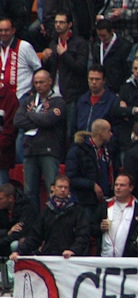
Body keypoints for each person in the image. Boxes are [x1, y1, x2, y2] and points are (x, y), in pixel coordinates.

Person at [14, 68, 65, 211]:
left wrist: (30, 114)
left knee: (52, 190)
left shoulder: (58, 101)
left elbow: (48, 120)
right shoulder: (29, 100)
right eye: (36, 82)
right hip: (30, 150)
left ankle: (53, 219)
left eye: (41, 82)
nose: (38, 85)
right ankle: (32, 221)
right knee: (29, 192)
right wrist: (39, 119)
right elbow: (17, 121)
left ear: (50, 82)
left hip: (49, 150)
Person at [11, 175, 89, 258]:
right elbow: (35, 236)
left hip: (70, 258)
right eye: (60, 187)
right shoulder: (46, 211)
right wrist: (19, 252)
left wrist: (73, 250)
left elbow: (83, 235)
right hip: (49, 255)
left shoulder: (78, 211)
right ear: (53, 188)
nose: (63, 190)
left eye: (66, 187)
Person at [41, 11, 89, 141]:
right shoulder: (53, 43)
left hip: (71, 93)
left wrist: (64, 55)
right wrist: (45, 59)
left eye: (62, 22)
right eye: (56, 22)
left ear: (70, 24)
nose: (58, 25)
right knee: (55, 130)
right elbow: (49, 68)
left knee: (69, 131)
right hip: (53, 91)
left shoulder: (79, 43)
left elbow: (81, 68)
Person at [65, 118, 114, 221]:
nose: (111, 134)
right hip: (85, 202)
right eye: (109, 131)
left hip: (105, 201)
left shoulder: (106, 151)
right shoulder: (78, 150)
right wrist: (92, 185)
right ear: (100, 132)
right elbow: (71, 178)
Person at [75, 65, 123, 149]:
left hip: (102, 148)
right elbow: (74, 126)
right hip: (81, 146)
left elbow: (117, 128)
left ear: (104, 81)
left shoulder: (113, 101)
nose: (94, 82)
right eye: (91, 79)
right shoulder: (82, 100)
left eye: (97, 79)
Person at [100, 173, 138, 257]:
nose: (118, 188)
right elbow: (92, 228)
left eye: (122, 185)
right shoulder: (104, 206)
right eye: (116, 185)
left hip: (127, 260)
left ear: (131, 188)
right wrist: (100, 227)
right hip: (104, 259)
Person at [91, 18, 132, 94]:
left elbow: (127, 72)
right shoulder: (97, 46)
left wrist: (122, 92)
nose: (102, 39)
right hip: (101, 89)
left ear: (112, 31)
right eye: (99, 36)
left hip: (118, 90)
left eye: (104, 36)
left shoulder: (124, 46)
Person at [0, 182, 35, 256]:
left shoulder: (26, 209)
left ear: (10, 198)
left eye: (1, 199)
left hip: (22, 242)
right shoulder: (2, 208)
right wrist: (7, 232)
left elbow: (19, 234)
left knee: (14, 244)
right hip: (6, 238)